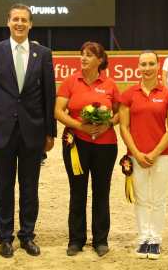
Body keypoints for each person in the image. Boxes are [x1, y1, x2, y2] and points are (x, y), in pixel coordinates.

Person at [0, 4, 56, 258]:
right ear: (8, 22)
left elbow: (49, 95)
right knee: (3, 188)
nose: (20, 23)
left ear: (31, 24)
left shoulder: (43, 54)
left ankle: (27, 235)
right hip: (1, 130)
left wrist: (50, 132)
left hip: (33, 132)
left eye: (24, 20)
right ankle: (5, 238)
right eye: (15, 19)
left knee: (29, 187)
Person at [54, 42, 121, 257]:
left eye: (89, 55)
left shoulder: (110, 84)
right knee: (78, 191)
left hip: (105, 145)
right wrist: (79, 126)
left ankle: (100, 240)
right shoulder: (70, 82)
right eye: (82, 54)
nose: (83, 58)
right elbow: (59, 111)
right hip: (76, 144)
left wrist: (108, 124)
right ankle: (76, 239)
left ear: (100, 60)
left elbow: (121, 112)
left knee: (102, 192)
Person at [119, 51, 168, 260]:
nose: (147, 68)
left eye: (151, 63)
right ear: (138, 67)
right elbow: (124, 127)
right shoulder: (129, 94)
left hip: (161, 155)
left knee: (158, 199)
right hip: (136, 155)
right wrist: (136, 152)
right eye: (143, 64)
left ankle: (156, 240)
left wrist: (154, 152)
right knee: (142, 199)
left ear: (158, 66)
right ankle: (144, 238)